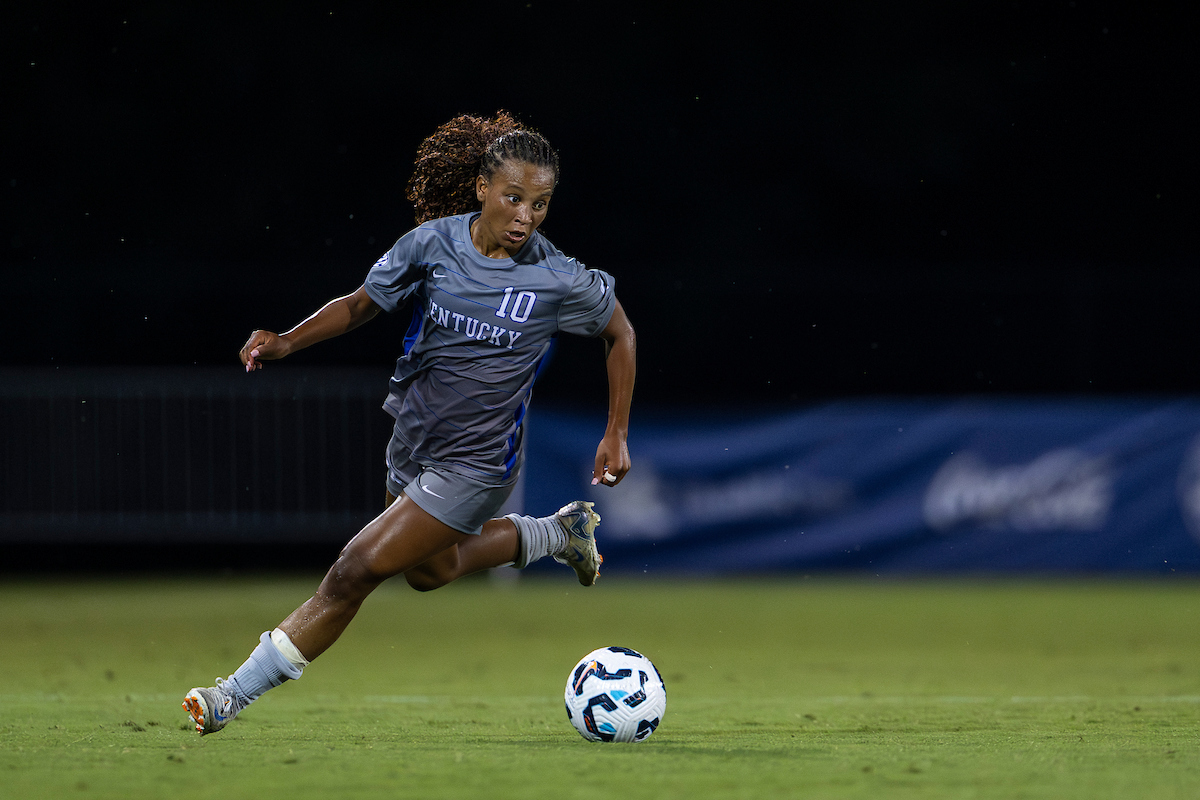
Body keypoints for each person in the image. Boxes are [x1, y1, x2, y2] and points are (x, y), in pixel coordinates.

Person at [182, 111, 636, 736]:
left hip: (477, 465)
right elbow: (360, 305)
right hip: (414, 442)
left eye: (540, 204)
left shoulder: (556, 277)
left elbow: (621, 332)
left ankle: (230, 694)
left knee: (355, 569)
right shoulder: (433, 244)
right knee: (431, 572)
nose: (526, 216)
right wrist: (287, 341)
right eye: (513, 198)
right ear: (483, 188)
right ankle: (560, 533)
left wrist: (616, 431)